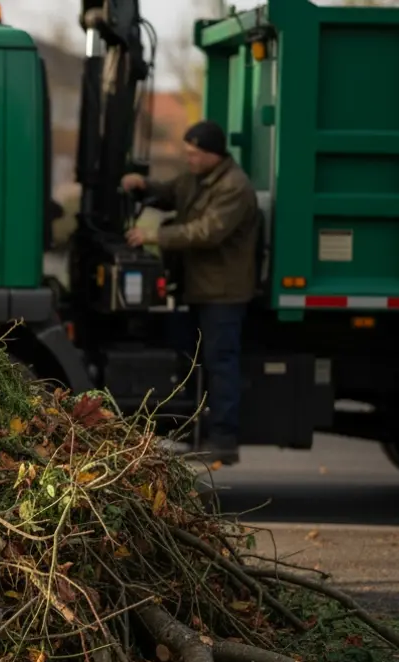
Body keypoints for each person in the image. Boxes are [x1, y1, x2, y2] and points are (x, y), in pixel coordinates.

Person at [121, 120, 261, 465]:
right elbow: (171, 193)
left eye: (195, 154)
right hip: (200, 289)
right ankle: (197, 430)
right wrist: (143, 185)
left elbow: (206, 232)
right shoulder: (197, 179)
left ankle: (223, 438)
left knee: (220, 362)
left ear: (213, 154)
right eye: (187, 152)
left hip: (223, 294)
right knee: (195, 360)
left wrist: (154, 237)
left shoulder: (234, 187)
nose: (189, 159)